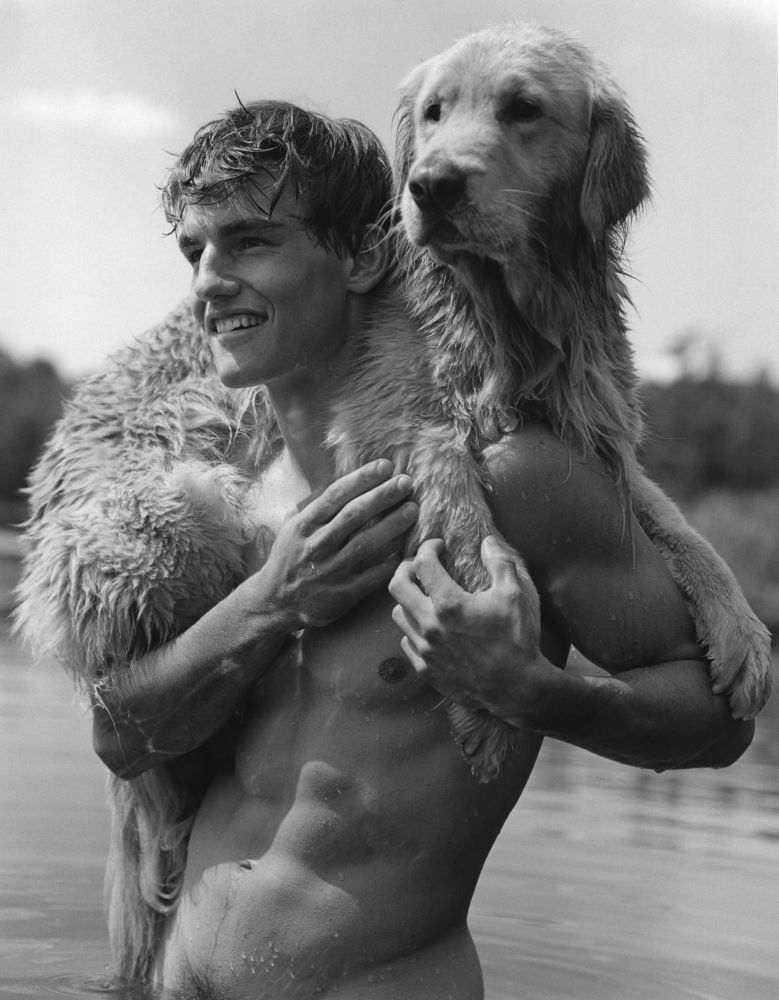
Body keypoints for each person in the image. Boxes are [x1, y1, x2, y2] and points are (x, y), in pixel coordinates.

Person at [81, 101, 752, 999]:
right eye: (194, 250)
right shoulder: (226, 497)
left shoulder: (513, 478)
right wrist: (269, 602)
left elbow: (719, 724)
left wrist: (529, 691)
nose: (208, 281)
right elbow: (119, 738)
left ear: (363, 255)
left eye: (249, 242)